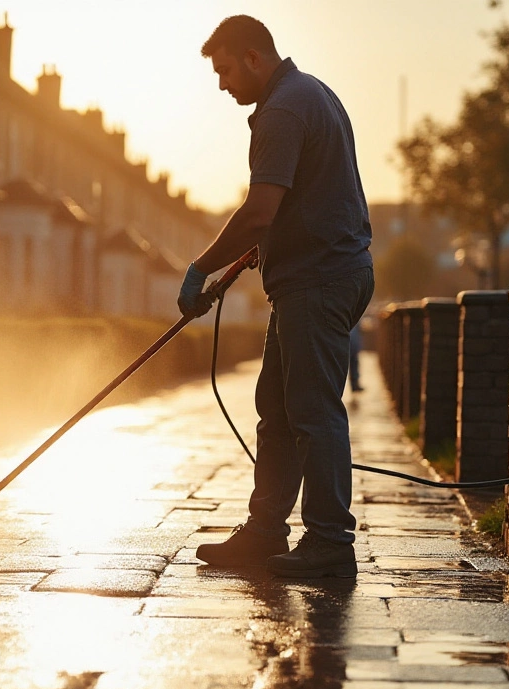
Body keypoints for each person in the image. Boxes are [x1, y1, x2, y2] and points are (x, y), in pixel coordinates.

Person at [178, 15, 374, 578]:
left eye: (225, 70)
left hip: (320, 280)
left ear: (254, 57)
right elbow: (301, 201)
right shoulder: (310, 94)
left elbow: (260, 211)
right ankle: (265, 532)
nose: (222, 85)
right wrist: (269, 246)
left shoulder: (284, 109)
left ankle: (330, 544)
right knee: (278, 411)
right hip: (316, 274)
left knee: (312, 412)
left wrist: (200, 267)